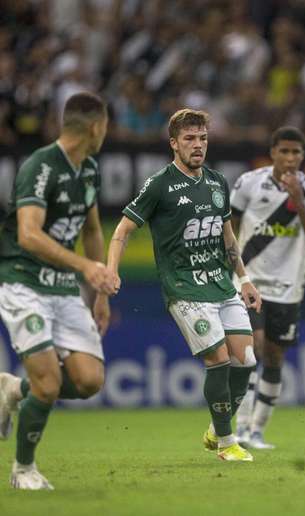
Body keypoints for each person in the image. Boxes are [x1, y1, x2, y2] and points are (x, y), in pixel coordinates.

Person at [106, 109, 261, 461]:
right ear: (174, 143)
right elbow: (122, 230)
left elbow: (228, 238)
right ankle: (226, 443)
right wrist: (112, 270)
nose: (198, 145)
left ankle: (215, 425)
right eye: (190, 139)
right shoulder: (159, 184)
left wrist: (245, 279)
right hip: (185, 289)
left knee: (246, 360)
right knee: (219, 360)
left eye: (203, 138)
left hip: (221, 285)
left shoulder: (217, 182)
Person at [0, 92, 113, 490]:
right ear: (96, 126)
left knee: (88, 381)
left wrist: (98, 291)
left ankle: (13, 390)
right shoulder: (41, 166)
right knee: (49, 383)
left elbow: (93, 230)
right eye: (106, 126)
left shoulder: (89, 169)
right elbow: (29, 235)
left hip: (64, 289)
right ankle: (24, 469)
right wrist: (85, 265)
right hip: (23, 281)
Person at [230, 127, 305, 449]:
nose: (290, 158)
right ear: (273, 152)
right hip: (250, 282)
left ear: (302, 156)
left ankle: (257, 430)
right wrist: (233, 268)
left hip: (288, 288)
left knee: (273, 357)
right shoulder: (248, 183)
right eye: (284, 151)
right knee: (250, 348)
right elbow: (229, 228)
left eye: (296, 152)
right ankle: (240, 427)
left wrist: (297, 200)